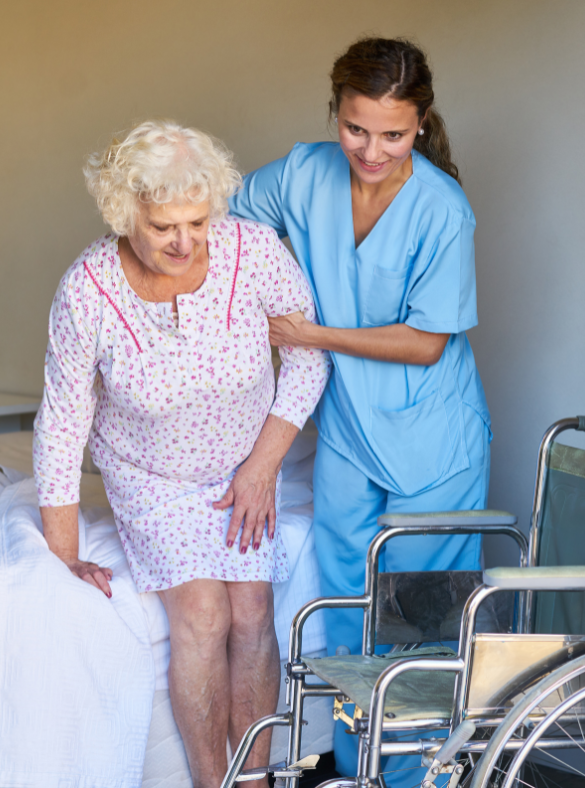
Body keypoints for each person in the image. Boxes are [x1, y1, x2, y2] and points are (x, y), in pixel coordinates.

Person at [33, 120, 331, 788]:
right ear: (124, 211)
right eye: (166, 225)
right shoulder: (87, 290)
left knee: (252, 609)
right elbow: (62, 419)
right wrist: (65, 552)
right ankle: (208, 782)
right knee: (203, 615)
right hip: (150, 477)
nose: (185, 240)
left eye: (197, 222)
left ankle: (253, 779)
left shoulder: (252, 252)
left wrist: (263, 467)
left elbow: (307, 357)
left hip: (243, 465)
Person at [228, 37, 491, 779]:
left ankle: (410, 778)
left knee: (417, 634)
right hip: (347, 432)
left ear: (421, 124)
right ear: (335, 114)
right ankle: (352, 770)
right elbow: (226, 229)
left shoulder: (443, 210)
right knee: (345, 616)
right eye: (356, 129)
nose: (371, 151)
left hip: (432, 447)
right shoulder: (304, 172)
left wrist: (308, 333)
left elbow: (426, 344)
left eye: (394, 135)